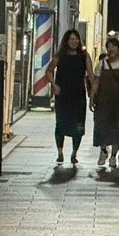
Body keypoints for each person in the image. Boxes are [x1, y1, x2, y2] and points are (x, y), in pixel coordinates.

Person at [46, 29, 93, 166]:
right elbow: (48, 70)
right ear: (66, 40)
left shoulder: (84, 55)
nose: (74, 41)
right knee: (61, 123)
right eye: (71, 39)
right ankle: (60, 152)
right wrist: (54, 85)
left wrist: (93, 93)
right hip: (63, 94)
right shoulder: (59, 55)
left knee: (78, 125)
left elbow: (90, 75)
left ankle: (74, 153)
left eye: (76, 38)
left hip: (78, 95)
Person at [91, 36, 119, 168]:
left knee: (118, 129)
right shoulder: (102, 64)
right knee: (101, 127)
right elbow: (96, 82)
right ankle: (103, 151)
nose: (111, 49)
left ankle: (113, 155)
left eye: (114, 46)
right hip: (103, 102)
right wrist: (92, 97)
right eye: (109, 47)